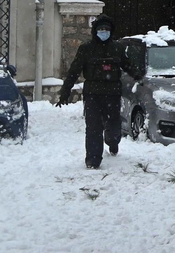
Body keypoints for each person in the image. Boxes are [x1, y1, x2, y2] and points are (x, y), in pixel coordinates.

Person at [56, 14, 139, 169]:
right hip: (93, 94)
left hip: (112, 93)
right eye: (100, 29)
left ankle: (113, 142)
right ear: (95, 31)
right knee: (93, 127)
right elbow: (74, 71)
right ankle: (93, 160)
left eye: (106, 29)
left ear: (111, 31)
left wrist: (139, 76)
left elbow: (128, 66)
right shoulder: (86, 49)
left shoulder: (117, 48)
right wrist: (65, 92)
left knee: (113, 125)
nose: (103, 32)